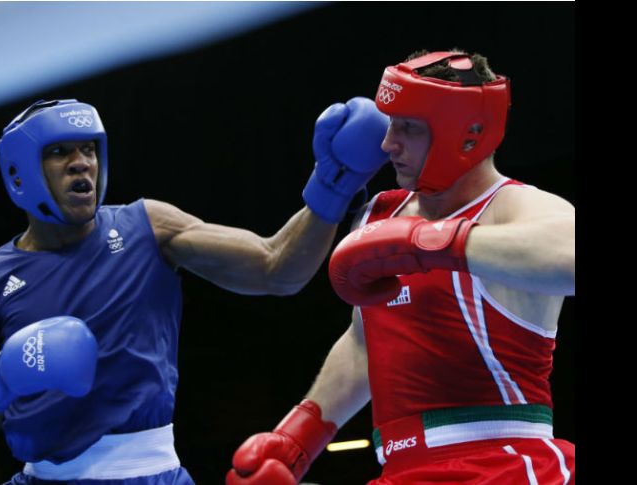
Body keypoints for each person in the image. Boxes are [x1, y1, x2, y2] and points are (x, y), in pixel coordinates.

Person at [0, 97, 391, 484]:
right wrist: (3, 378)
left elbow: (277, 268)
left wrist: (334, 183)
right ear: (21, 173)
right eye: (59, 152)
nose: (80, 162)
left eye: (89, 149)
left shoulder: (146, 226)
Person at [226, 50, 575, 485]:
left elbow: (570, 255)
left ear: (465, 134)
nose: (388, 143)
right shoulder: (380, 216)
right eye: (390, 122)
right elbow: (363, 341)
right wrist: (301, 437)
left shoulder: (511, 208)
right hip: (398, 471)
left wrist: (434, 243)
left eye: (407, 127)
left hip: (504, 463)